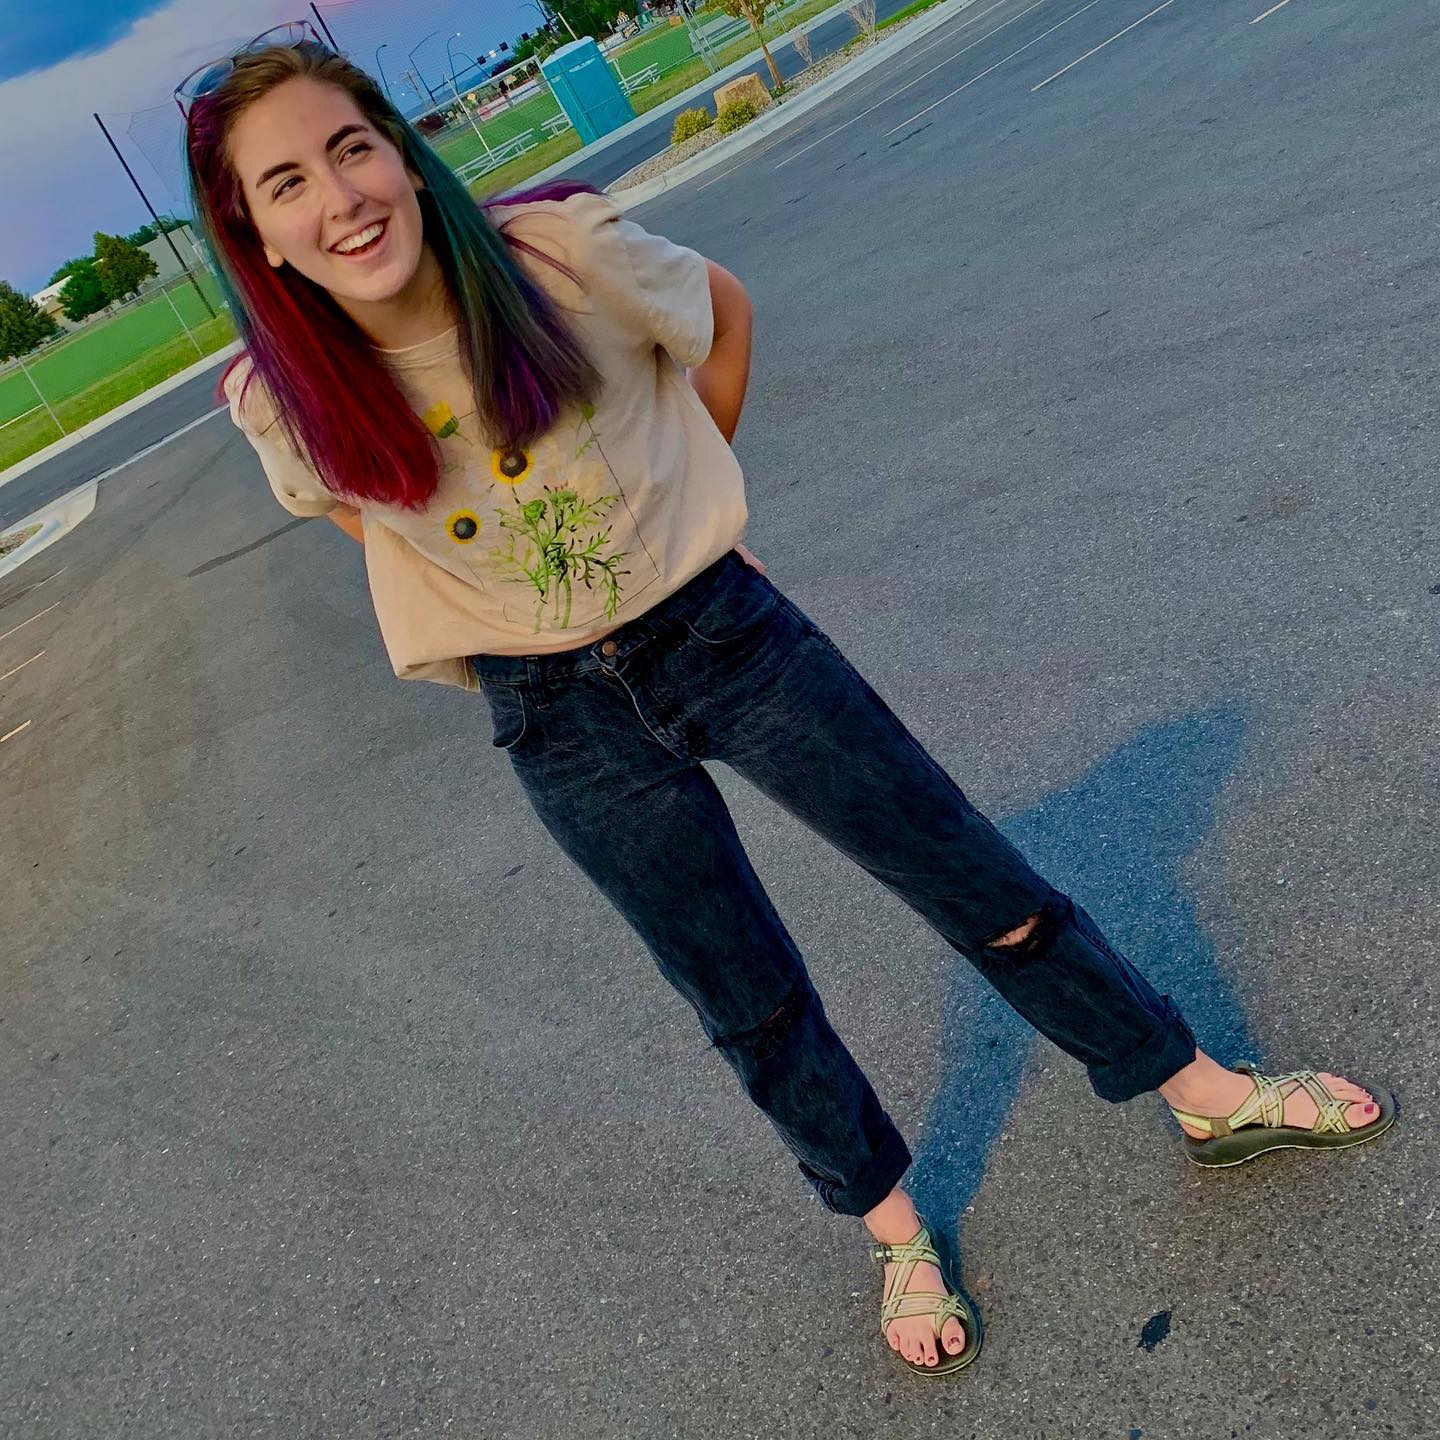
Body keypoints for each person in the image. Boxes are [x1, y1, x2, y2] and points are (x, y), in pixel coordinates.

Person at [184, 28, 1394, 1379]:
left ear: (402, 160)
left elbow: (724, 321)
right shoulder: (276, 400)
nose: (338, 196)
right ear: (259, 237)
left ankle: (1202, 1094)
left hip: (724, 635)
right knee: (742, 991)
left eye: (352, 149)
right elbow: (371, 519)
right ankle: (891, 1227)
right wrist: (499, 627)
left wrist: (694, 514)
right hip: (558, 726)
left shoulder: (554, 259)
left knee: (973, 879)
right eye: (286, 182)